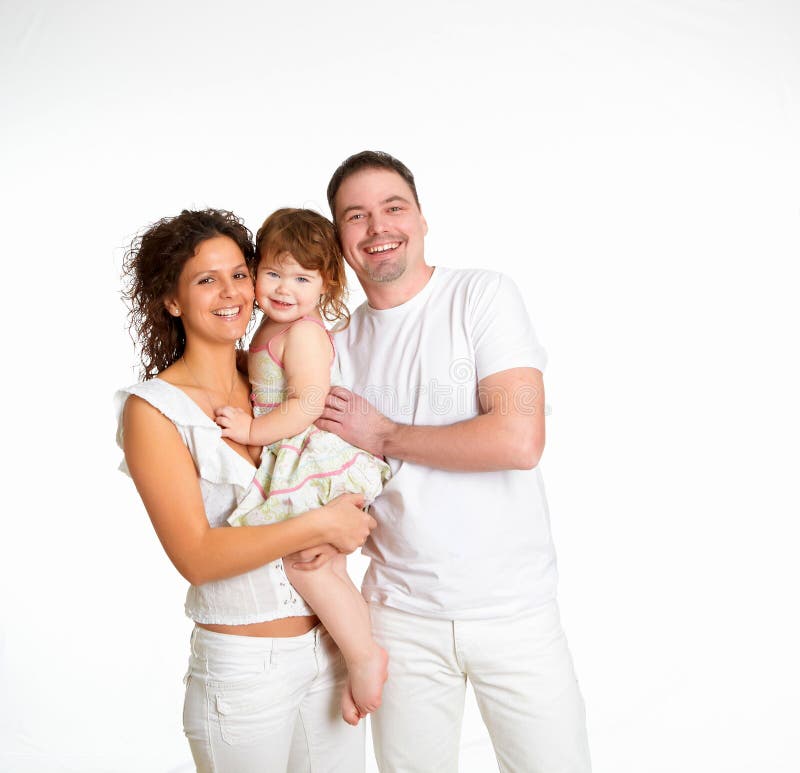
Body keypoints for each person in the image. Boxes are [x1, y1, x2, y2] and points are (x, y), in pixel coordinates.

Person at [317, 151, 592, 772]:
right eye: (355, 216)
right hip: (398, 617)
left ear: (421, 217)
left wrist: (384, 433)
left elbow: (519, 440)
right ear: (338, 240)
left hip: (515, 613)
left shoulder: (481, 295)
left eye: (394, 207)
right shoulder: (335, 346)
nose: (377, 227)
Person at [116, 208, 375, 772]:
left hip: (331, 652)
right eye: (206, 279)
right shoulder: (155, 411)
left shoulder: (269, 374)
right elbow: (198, 557)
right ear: (172, 300)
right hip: (244, 670)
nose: (231, 292)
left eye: (239, 272)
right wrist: (322, 525)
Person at [213, 208, 390, 726]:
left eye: (302, 278)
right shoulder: (272, 324)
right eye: (273, 273)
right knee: (320, 564)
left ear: (326, 282)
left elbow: (306, 403)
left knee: (307, 563)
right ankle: (358, 656)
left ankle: (364, 656)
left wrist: (251, 432)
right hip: (290, 445)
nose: (284, 288)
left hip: (309, 450)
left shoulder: (306, 333)